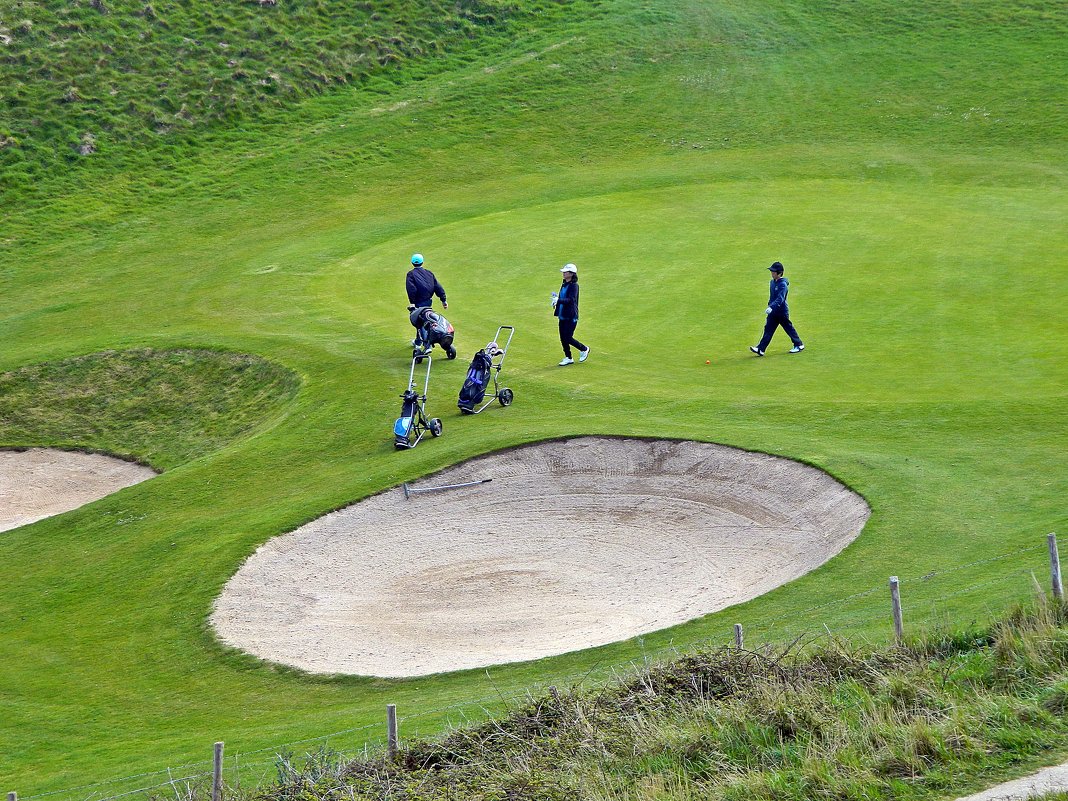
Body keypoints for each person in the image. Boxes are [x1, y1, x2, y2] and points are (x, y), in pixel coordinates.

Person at [750, 261, 804, 356]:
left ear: (779, 273)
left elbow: (780, 298)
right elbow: (772, 297)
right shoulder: (772, 282)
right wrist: (769, 305)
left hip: (781, 311)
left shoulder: (783, 284)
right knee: (768, 329)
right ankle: (761, 349)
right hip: (773, 311)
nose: (772, 273)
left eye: (774, 272)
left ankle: (799, 345)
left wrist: (772, 307)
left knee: (788, 328)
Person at [405, 253, 447, 351]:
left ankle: (425, 345)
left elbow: (412, 289)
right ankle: (418, 341)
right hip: (428, 302)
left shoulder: (410, 274)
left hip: (418, 303)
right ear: (422, 262)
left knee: (420, 323)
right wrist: (443, 300)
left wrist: (412, 302)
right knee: (423, 321)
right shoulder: (429, 273)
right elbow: (437, 287)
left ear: (412, 263)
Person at [552, 263, 590, 366]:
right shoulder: (564, 284)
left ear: (571, 274)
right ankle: (568, 357)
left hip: (571, 315)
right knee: (562, 337)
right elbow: (563, 298)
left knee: (568, 337)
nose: (563, 274)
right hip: (562, 314)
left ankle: (584, 349)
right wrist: (555, 302)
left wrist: (558, 300)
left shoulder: (574, 286)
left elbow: (571, 300)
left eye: (566, 272)